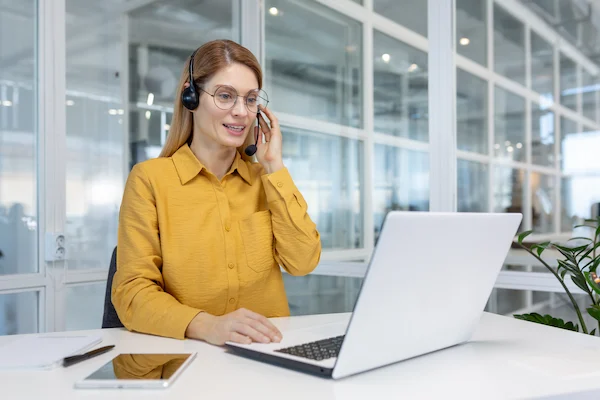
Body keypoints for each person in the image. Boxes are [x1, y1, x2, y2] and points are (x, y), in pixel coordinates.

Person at [112, 40, 322, 346]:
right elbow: (131, 293)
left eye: (251, 100)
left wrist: (274, 165)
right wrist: (207, 326)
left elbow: (304, 262)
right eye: (225, 96)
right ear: (191, 95)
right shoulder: (150, 180)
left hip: (269, 358)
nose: (240, 112)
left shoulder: (267, 180)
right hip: (188, 361)